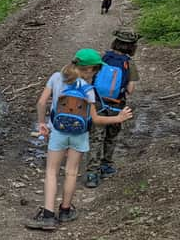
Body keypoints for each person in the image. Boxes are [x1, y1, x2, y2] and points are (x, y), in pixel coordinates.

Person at [25, 49, 134, 231]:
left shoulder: (56, 77)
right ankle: (66, 210)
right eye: (97, 70)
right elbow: (97, 120)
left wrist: (42, 123)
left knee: (51, 172)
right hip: (79, 135)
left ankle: (48, 216)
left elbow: (41, 102)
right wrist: (119, 118)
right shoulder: (88, 90)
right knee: (71, 172)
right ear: (90, 70)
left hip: (58, 132)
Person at [85, 29, 140, 188]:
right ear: (132, 47)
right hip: (117, 106)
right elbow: (130, 89)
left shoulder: (104, 58)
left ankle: (91, 174)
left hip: (98, 103)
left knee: (96, 137)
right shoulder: (129, 63)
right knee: (111, 136)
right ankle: (106, 165)